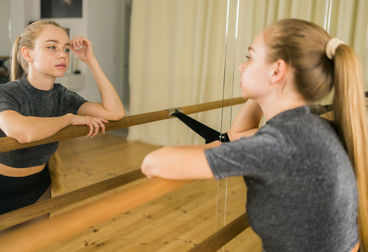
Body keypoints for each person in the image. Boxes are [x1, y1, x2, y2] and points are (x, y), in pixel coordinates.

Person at [142, 19, 367, 252]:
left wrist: (217, 150)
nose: (241, 66)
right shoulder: (311, 128)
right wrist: (262, 94)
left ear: (277, 70)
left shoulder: (280, 144)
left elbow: (153, 163)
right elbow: (236, 135)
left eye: (250, 57)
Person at [0, 19, 125, 243]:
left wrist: (90, 61)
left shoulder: (63, 96)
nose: (63, 54)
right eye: (51, 47)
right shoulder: (4, 94)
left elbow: (114, 113)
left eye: (66, 48)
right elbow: (22, 132)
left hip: (38, 193)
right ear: (27, 54)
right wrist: (68, 119)